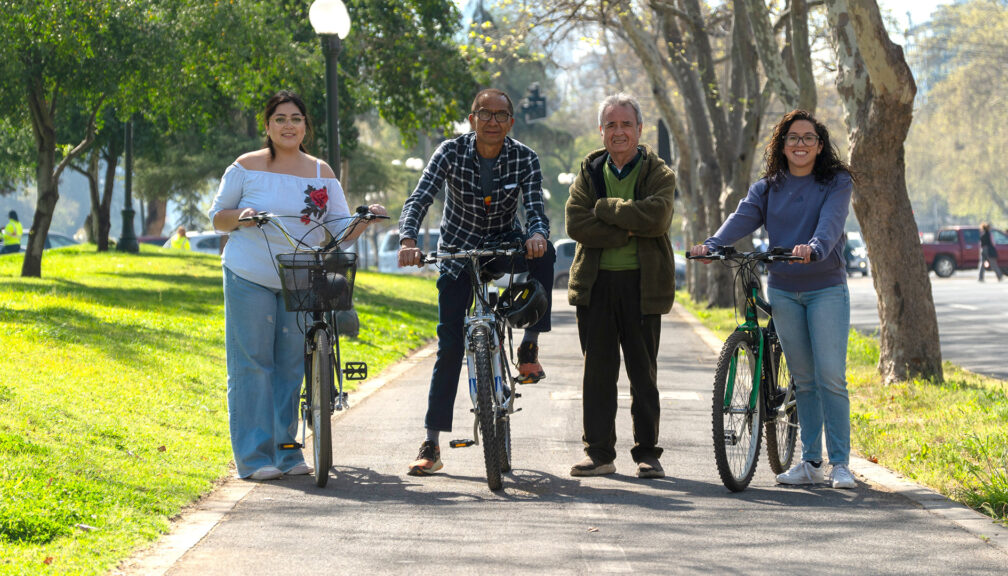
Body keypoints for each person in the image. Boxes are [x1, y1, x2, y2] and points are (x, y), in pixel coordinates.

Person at [209, 90, 384, 481]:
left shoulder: (322, 172)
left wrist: (365, 218)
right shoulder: (245, 167)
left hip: (301, 275)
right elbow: (217, 218)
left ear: (306, 125)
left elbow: (339, 230)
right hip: (248, 274)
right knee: (253, 364)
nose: (288, 125)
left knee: (291, 367)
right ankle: (254, 459)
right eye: (280, 119)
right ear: (267, 126)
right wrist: (243, 215)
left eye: (296, 119)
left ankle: (288, 454)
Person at [690, 109, 857, 489]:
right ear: (782, 145)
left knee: (830, 376)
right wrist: (713, 245)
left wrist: (813, 248)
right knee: (804, 380)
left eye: (808, 138)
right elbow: (741, 218)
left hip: (825, 287)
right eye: (793, 138)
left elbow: (830, 225)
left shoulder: (835, 182)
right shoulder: (767, 188)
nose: (800, 144)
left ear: (819, 145)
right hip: (783, 289)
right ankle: (811, 463)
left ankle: (841, 464)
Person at [398, 88, 554, 476]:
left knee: (547, 251)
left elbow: (535, 208)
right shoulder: (449, 152)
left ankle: (529, 347)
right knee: (449, 346)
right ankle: (431, 443)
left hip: (503, 245)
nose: (493, 121)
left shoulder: (525, 158)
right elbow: (420, 198)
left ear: (511, 122)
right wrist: (408, 240)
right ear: (471, 119)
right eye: (485, 114)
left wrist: (536, 234)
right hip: (457, 252)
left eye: (501, 115)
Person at [565, 93, 675, 479]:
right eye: (611, 124)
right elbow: (575, 223)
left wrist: (607, 210)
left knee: (643, 374)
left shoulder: (658, 172)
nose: (619, 131)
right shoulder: (590, 170)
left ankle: (647, 453)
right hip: (595, 287)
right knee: (597, 373)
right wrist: (628, 228)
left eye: (626, 124)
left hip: (643, 287)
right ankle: (599, 453)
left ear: (639, 129)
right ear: (601, 131)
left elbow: (658, 216)